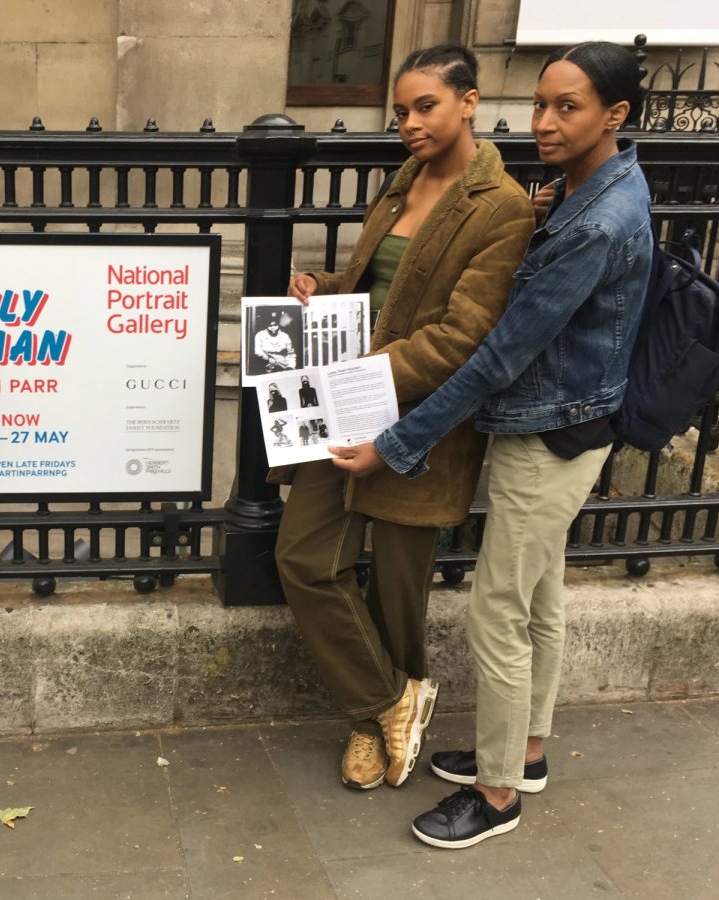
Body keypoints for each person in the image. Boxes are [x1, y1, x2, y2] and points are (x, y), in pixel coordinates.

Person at [331, 42, 652, 848]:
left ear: (613, 115)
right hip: (563, 422)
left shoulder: (598, 221)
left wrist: (396, 444)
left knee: (498, 614)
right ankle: (528, 750)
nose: (543, 121)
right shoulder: (585, 190)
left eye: (567, 107)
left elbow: (500, 353)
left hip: (550, 432)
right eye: (541, 102)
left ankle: (499, 794)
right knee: (541, 601)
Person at [276, 44, 535, 793]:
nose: (409, 123)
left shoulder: (503, 208)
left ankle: (372, 726)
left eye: (425, 106)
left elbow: (464, 335)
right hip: (349, 406)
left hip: (423, 427)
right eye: (400, 111)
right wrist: (321, 287)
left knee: (396, 586)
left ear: (469, 101)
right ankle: (387, 702)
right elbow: (380, 291)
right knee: (304, 559)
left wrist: (359, 377)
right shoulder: (401, 186)